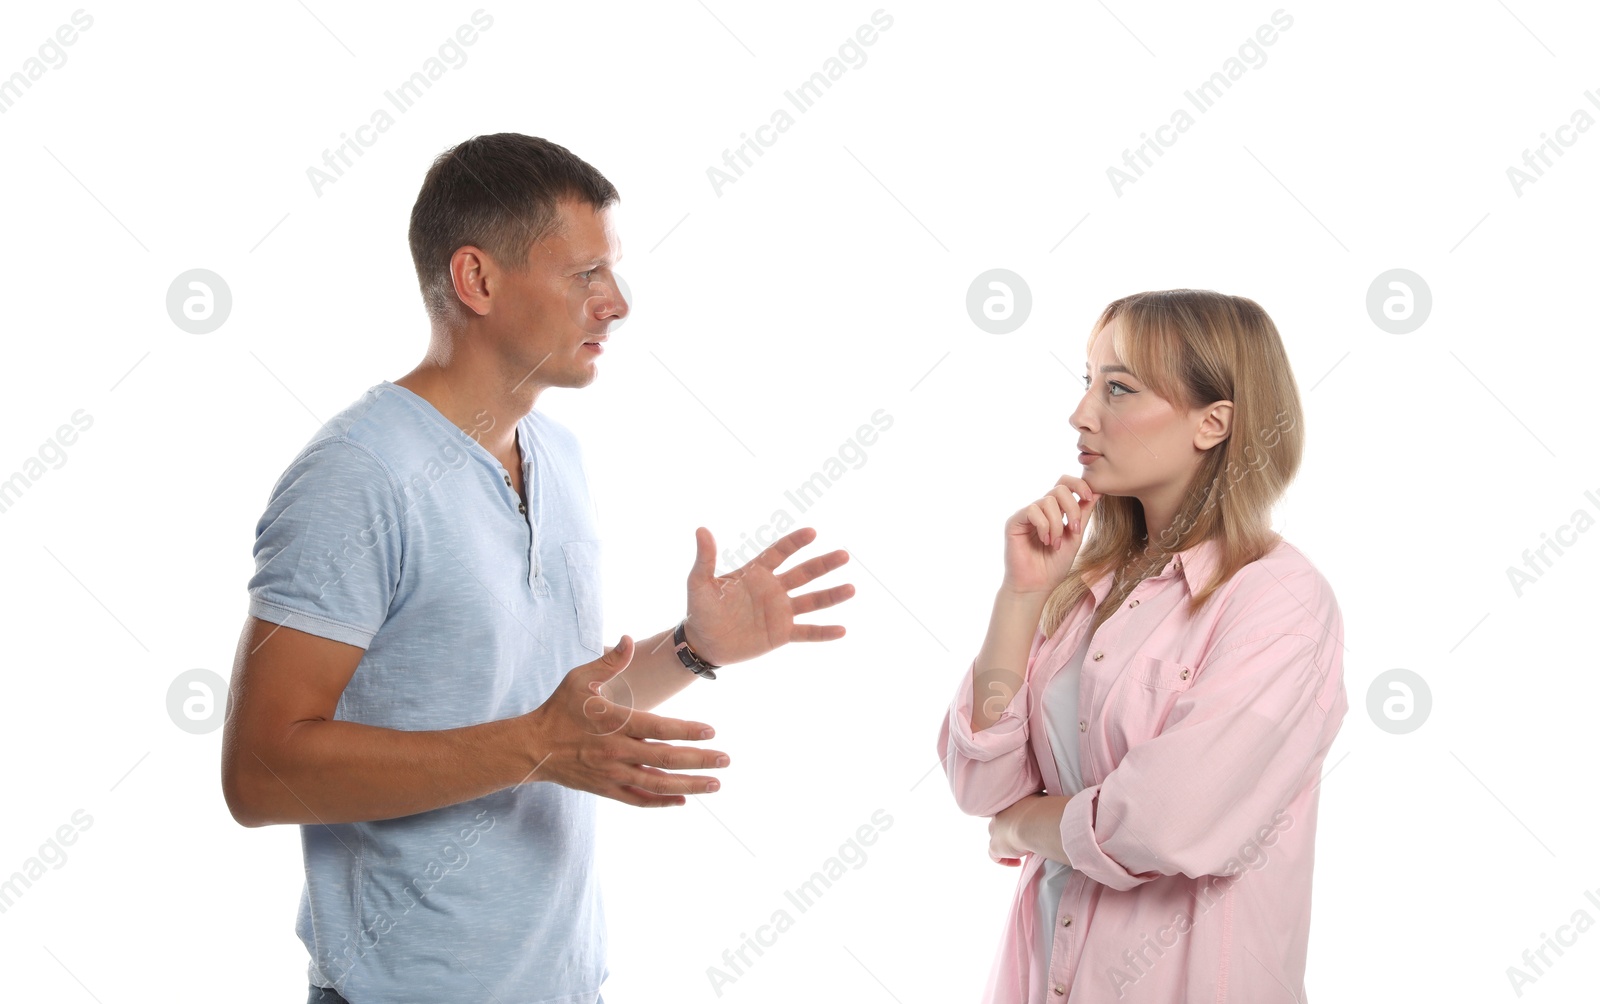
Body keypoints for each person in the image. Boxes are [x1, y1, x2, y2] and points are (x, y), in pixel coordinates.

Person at [221, 132, 855, 1003]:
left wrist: (693, 649)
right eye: (585, 275)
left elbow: (556, 723)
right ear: (477, 280)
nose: (618, 303)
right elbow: (260, 773)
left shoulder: (558, 456)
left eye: (615, 272)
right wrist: (533, 748)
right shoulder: (357, 475)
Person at [937, 289, 1347, 1002]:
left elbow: (1167, 823)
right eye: (1088, 381)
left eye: (1118, 387)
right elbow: (980, 786)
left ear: (1213, 423)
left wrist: (1026, 827)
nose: (1081, 414)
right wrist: (1022, 596)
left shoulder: (1278, 600)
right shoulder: (1085, 585)